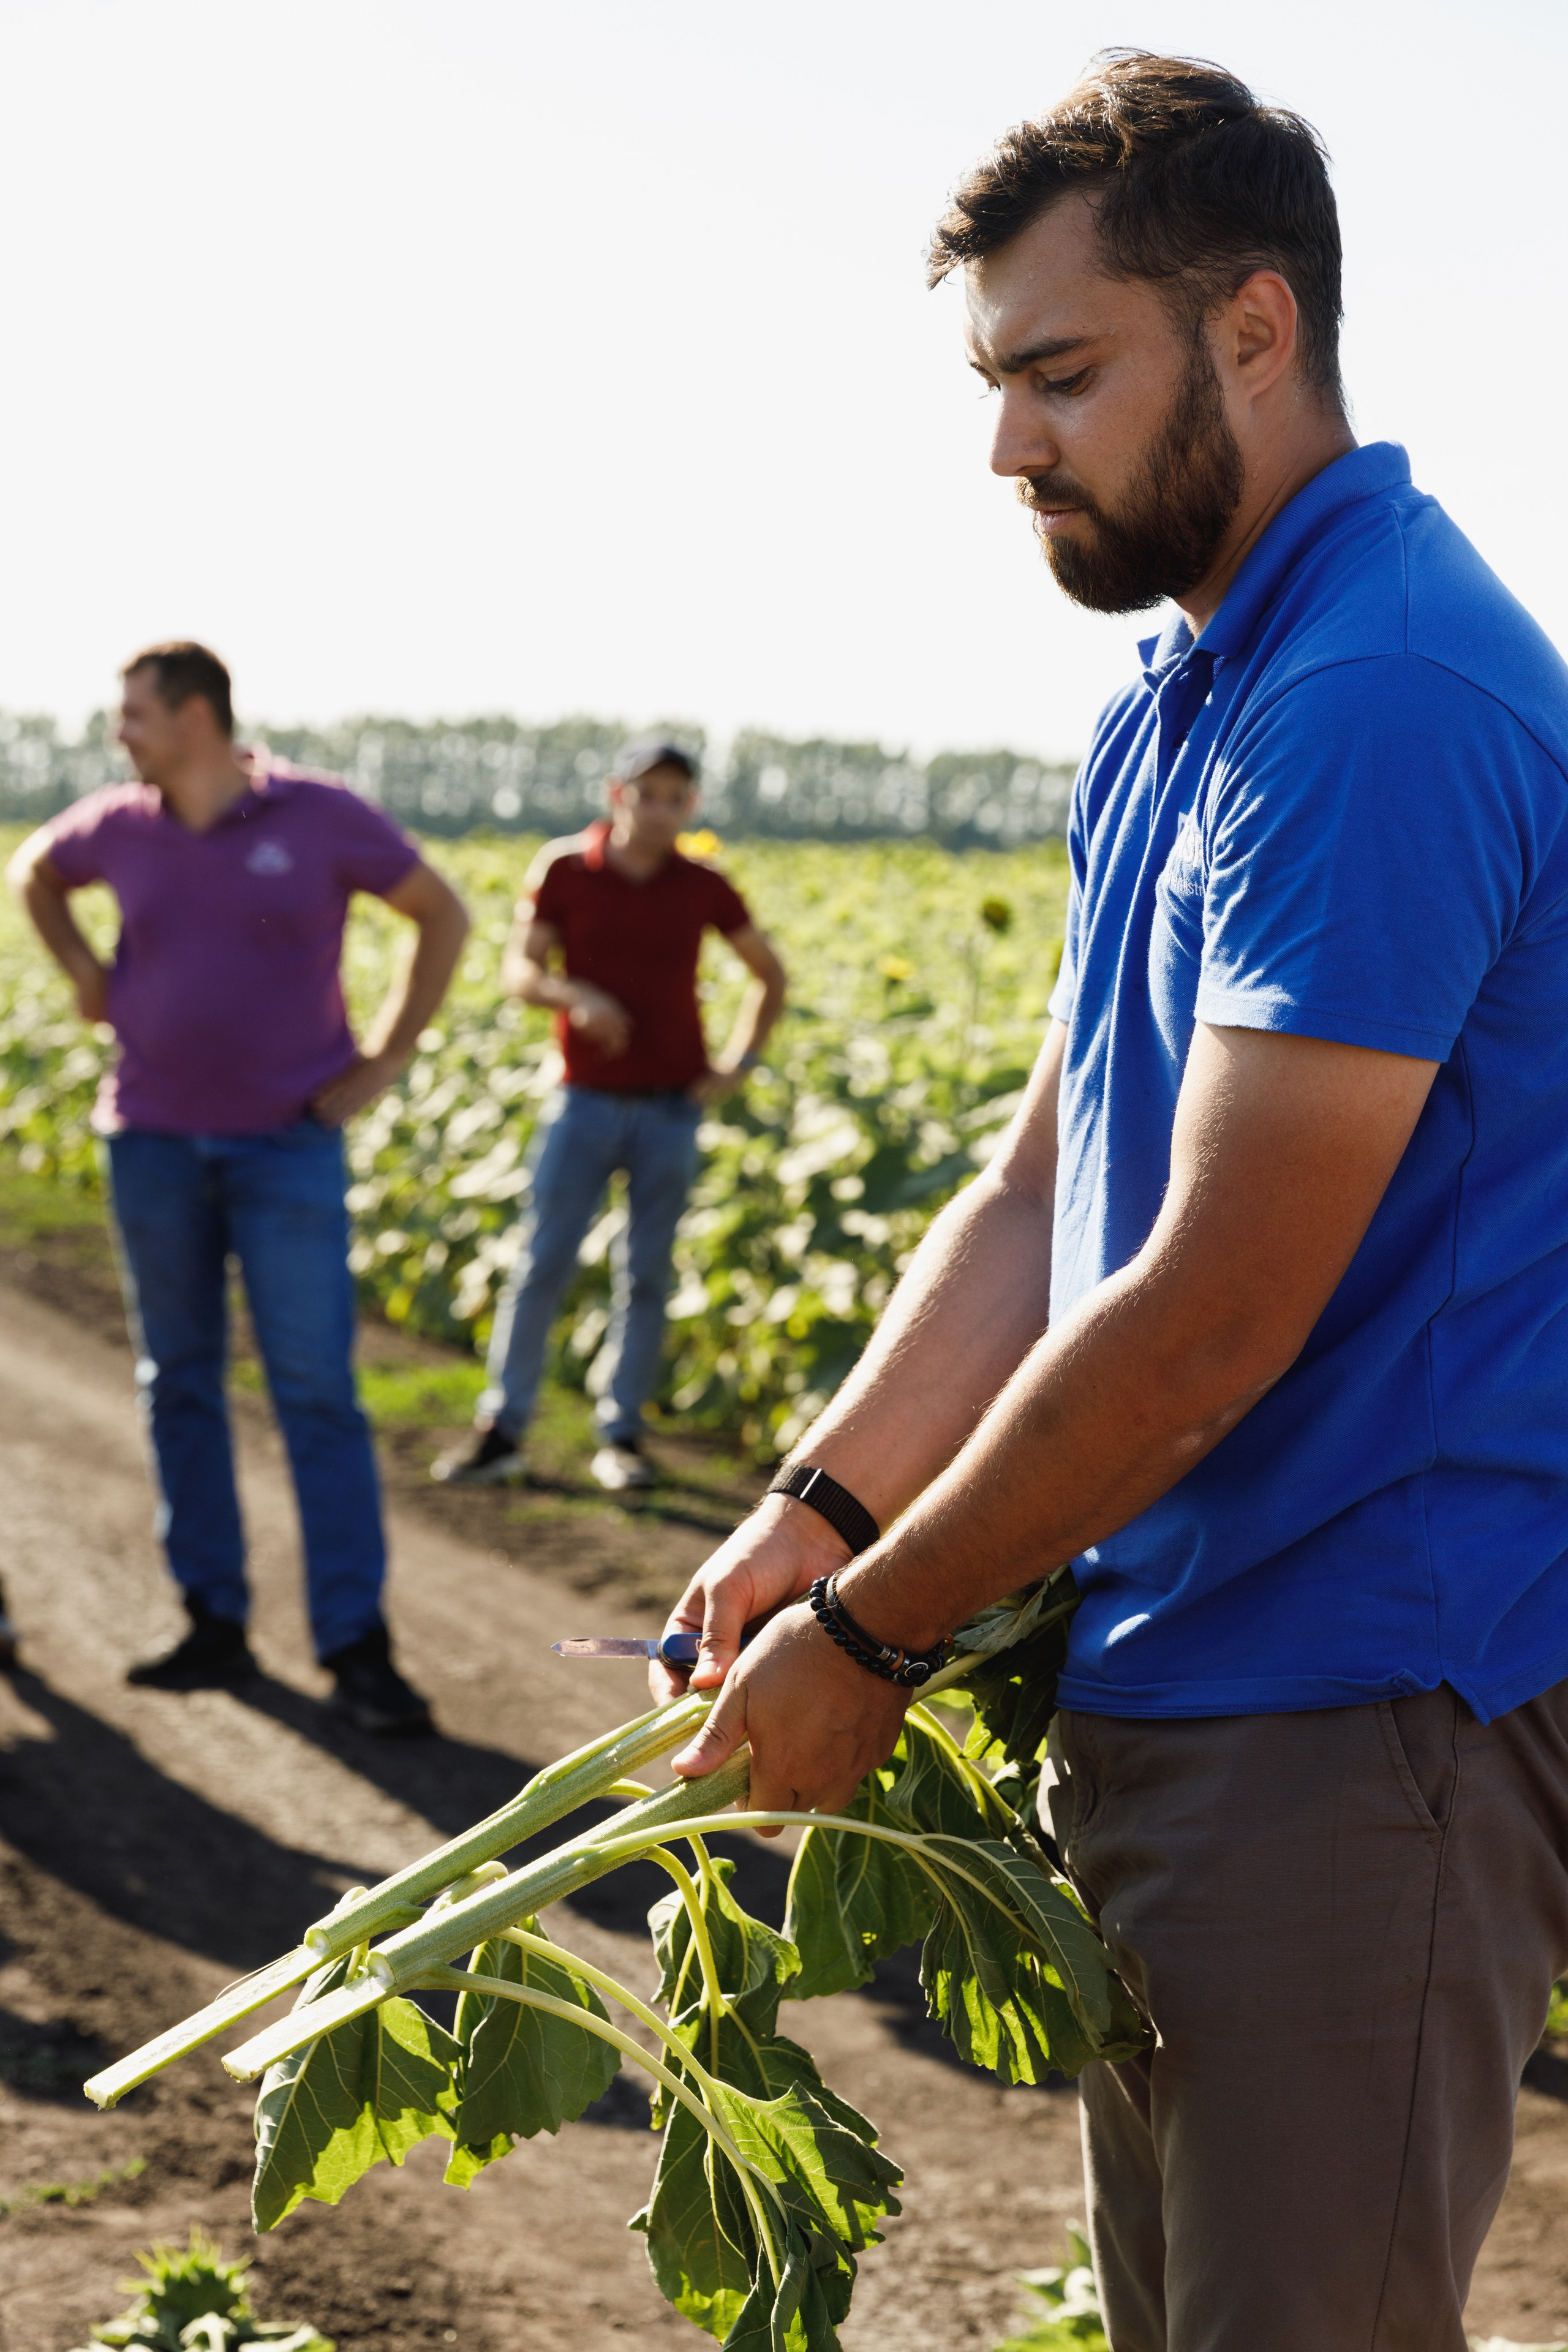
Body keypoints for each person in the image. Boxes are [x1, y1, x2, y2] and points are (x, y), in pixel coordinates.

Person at [649, 52, 1568, 2352]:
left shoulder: (1376, 693)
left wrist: (864, 1648)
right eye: (995, 383)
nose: (1005, 447)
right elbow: (1049, 1173)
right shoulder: (1184, 690)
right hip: (1183, 1679)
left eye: (1058, 376)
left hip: (1357, 1708)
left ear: (1252, 331)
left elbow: (1207, 1311)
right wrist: (826, 1507)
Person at [7, 642, 469, 1734]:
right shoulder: (116, 824)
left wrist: (384, 1062)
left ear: (198, 717)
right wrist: (84, 971)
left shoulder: (318, 816)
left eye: (137, 714)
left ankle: (357, 1647)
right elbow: (36, 870)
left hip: (286, 1148)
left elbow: (440, 915)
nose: (121, 732)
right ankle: (212, 1621)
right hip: (153, 1142)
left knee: (315, 1392)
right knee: (180, 1381)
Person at [436, 738, 785, 1493]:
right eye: (645, 793)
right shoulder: (566, 869)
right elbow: (520, 970)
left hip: (670, 1109)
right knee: (540, 1265)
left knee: (648, 1276)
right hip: (583, 1101)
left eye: (675, 798)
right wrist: (577, 996)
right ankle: (503, 1428)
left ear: (690, 807)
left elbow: (768, 974)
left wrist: (736, 1067)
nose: (659, 810)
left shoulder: (702, 884)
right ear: (615, 794)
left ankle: (620, 1433)